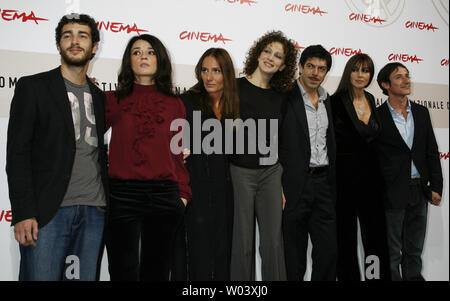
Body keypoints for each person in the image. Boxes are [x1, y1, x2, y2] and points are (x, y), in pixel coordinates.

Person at [6, 13, 108, 281]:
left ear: (94, 46)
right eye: (67, 35)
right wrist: (23, 212)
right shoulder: (33, 87)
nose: (75, 41)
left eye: (83, 35)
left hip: (94, 211)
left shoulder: (100, 97)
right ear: (59, 45)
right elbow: (17, 154)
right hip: (48, 214)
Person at [105, 34, 191, 281]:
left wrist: (183, 195)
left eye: (151, 52)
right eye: (137, 51)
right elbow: (84, 139)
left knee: (157, 272)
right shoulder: (112, 100)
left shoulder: (175, 104)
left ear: (160, 60)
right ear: (128, 60)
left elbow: (177, 152)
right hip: (121, 195)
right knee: (123, 271)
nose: (143, 56)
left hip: (164, 195)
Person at [229, 30, 298, 281]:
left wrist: (280, 182)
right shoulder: (234, 87)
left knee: (273, 245)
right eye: (267, 51)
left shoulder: (282, 97)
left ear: (283, 66)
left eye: (278, 56)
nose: (271, 57)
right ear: (258, 53)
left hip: (271, 173)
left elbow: (279, 140)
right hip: (239, 172)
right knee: (242, 244)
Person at [176, 48, 239, 280]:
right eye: (204, 70)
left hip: (227, 191)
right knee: (198, 254)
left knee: (224, 253)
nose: (209, 77)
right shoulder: (186, 102)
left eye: (216, 70)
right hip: (195, 190)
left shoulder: (235, 106)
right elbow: (172, 144)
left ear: (227, 74)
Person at [375, 62, 443, 281]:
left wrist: (436, 186)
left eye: (407, 75)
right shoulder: (377, 116)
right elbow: (373, 159)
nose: (406, 80)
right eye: (398, 77)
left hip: (419, 191)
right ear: (385, 84)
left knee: (414, 250)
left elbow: (431, 151)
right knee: (392, 252)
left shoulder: (421, 113)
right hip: (391, 192)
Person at [279, 45, 337, 281]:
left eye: (321, 68)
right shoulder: (283, 97)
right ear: (300, 67)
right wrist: (277, 185)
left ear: (326, 73)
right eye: (311, 66)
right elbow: (269, 142)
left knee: (328, 252)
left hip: (323, 185)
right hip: (292, 187)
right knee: (293, 255)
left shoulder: (328, 101)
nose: (315, 72)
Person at [330, 53, 390, 281]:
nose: (360, 75)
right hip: (344, 182)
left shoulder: (372, 99)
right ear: (348, 72)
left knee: (375, 239)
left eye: (365, 71)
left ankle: (374, 278)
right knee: (345, 239)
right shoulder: (334, 102)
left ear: (370, 75)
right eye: (355, 69)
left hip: (371, 182)